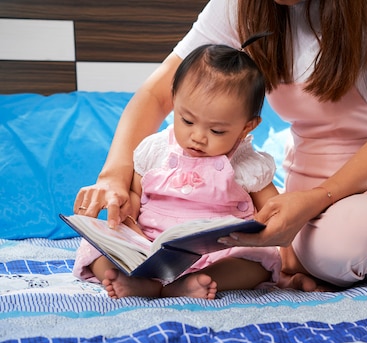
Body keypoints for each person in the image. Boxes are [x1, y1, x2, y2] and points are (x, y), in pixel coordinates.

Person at [75, 0, 367, 293]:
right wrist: (114, 176)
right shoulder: (245, 5)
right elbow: (159, 92)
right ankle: (293, 259)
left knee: (339, 243)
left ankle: (303, 257)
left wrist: (314, 200)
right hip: (299, 208)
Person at [73, 40, 281, 299]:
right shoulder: (155, 149)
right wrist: (127, 216)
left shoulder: (247, 163)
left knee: (258, 262)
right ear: (174, 100)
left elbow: (276, 211)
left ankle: (183, 285)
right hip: (150, 245)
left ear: (247, 126)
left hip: (215, 253)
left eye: (216, 130)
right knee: (97, 249)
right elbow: (136, 193)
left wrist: (261, 230)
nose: (198, 137)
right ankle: (138, 280)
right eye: (187, 120)